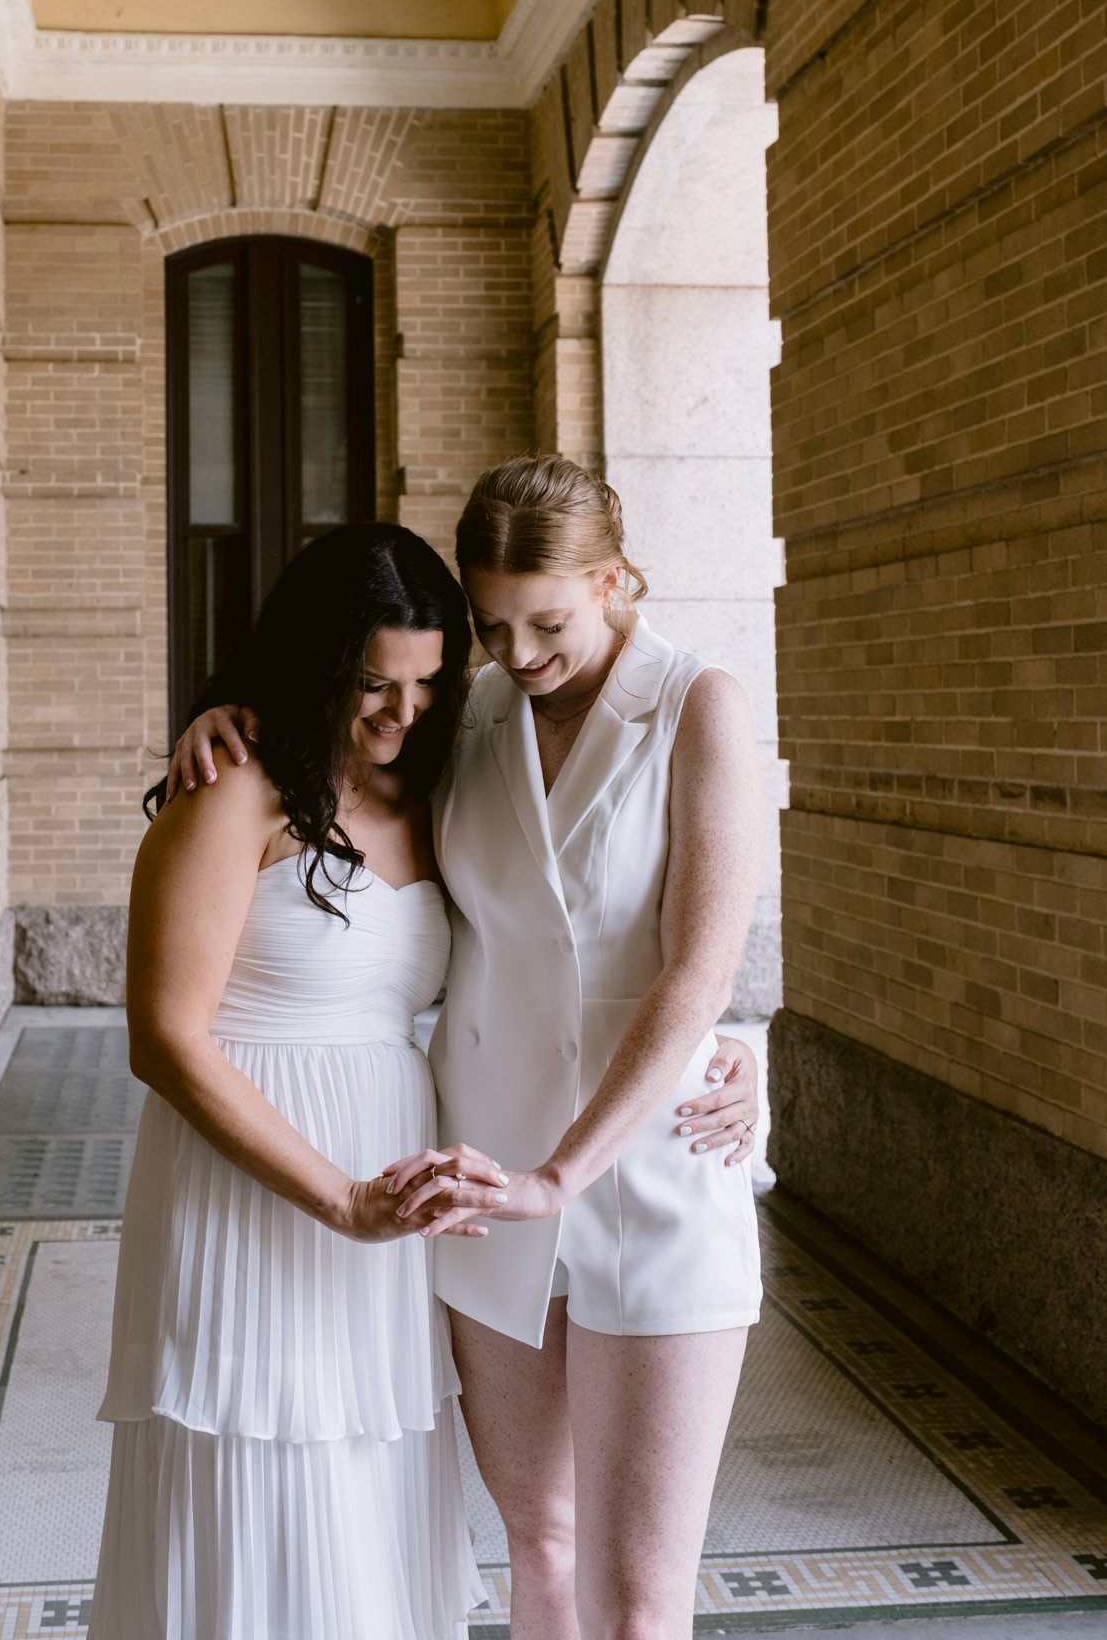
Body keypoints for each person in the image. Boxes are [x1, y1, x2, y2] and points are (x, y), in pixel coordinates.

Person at [172, 455, 765, 1640]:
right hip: (486, 1173)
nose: (519, 652)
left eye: (547, 622)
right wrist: (225, 715)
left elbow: (698, 967)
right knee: (536, 1543)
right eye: (491, 625)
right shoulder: (468, 707)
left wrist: (733, 1057)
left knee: (639, 1599)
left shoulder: (696, 703)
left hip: (645, 1165)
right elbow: (342, 785)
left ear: (614, 580)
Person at [90, 523, 512, 1640]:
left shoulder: (433, 789)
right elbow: (163, 1038)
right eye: (373, 683)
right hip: (253, 1186)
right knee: (256, 1479)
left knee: (366, 1486)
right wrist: (339, 1198)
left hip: (384, 1193)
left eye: (428, 683)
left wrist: (706, 1043)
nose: (402, 712)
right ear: (317, 661)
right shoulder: (232, 787)